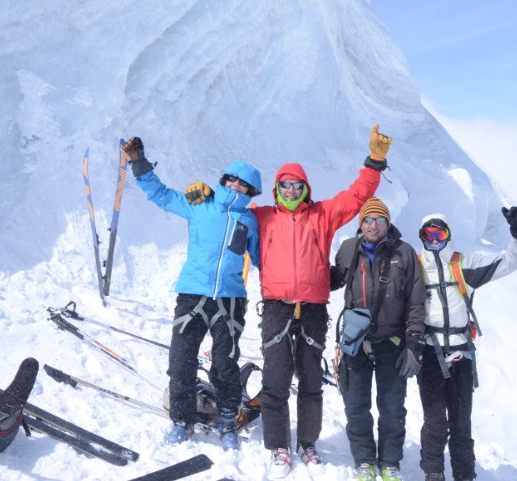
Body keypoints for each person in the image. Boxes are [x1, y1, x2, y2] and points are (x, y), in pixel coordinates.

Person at [188, 125, 392, 477]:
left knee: (311, 381)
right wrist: (207, 195)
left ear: (306, 188)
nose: (292, 190)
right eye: (286, 185)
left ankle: (307, 443)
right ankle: (279, 445)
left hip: (313, 308)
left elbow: (357, 197)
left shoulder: (322, 214)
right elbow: (230, 208)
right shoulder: (263, 216)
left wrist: (374, 162)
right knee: (276, 380)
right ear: (278, 188)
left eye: (298, 185)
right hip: (277, 307)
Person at [121, 136, 262, 451]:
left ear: (252, 192)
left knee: (225, 365)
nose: (237, 187)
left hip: (230, 299)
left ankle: (228, 421)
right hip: (192, 295)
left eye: (245, 185)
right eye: (232, 180)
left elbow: (265, 258)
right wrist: (138, 161)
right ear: (223, 180)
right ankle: (182, 422)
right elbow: (160, 194)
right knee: (181, 360)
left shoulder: (250, 220)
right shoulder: (201, 205)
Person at [416, 206, 517, 481]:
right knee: (434, 421)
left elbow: (510, 262)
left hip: (461, 353)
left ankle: (464, 475)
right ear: (422, 236)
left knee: (461, 421)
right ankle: (433, 473)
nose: (434, 240)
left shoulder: (462, 265)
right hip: (429, 352)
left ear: (448, 235)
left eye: (439, 233)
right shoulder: (416, 268)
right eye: (428, 234)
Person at [330, 197, 426, 481]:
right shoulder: (349, 249)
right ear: (361, 224)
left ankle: (390, 462)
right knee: (356, 404)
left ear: (388, 223)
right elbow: (331, 280)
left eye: (380, 220)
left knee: (392, 406)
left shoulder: (405, 253)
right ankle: (364, 460)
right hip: (355, 342)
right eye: (368, 220)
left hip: (392, 343)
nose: (374, 225)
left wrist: (414, 343)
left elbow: (416, 301)